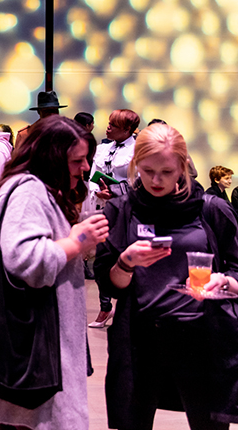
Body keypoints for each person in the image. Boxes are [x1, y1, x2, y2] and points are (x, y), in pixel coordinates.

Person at [0, 115, 108, 430]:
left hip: (29, 339)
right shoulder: (29, 191)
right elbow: (26, 260)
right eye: (77, 161)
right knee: (30, 419)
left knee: (17, 418)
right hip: (33, 339)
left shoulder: (28, 186)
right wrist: (78, 240)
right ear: (52, 159)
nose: (84, 168)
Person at [95, 122, 238, 430]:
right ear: (136, 164)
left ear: (183, 166)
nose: (155, 180)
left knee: (207, 424)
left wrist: (225, 282)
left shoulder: (211, 210)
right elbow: (109, 283)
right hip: (139, 340)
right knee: (132, 421)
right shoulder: (122, 210)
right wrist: (126, 262)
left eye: (166, 172)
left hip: (202, 340)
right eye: (147, 170)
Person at [84, 108, 140, 329]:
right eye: (108, 123)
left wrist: (116, 192)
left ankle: (128, 308)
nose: (108, 127)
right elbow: (92, 175)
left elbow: (137, 180)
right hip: (101, 207)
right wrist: (97, 189)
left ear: (127, 129)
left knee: (127, 259)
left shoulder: (136, 149)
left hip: (127, 209)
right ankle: (105, 305)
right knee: (100, 261)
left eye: (113, 125)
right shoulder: (103, 148)